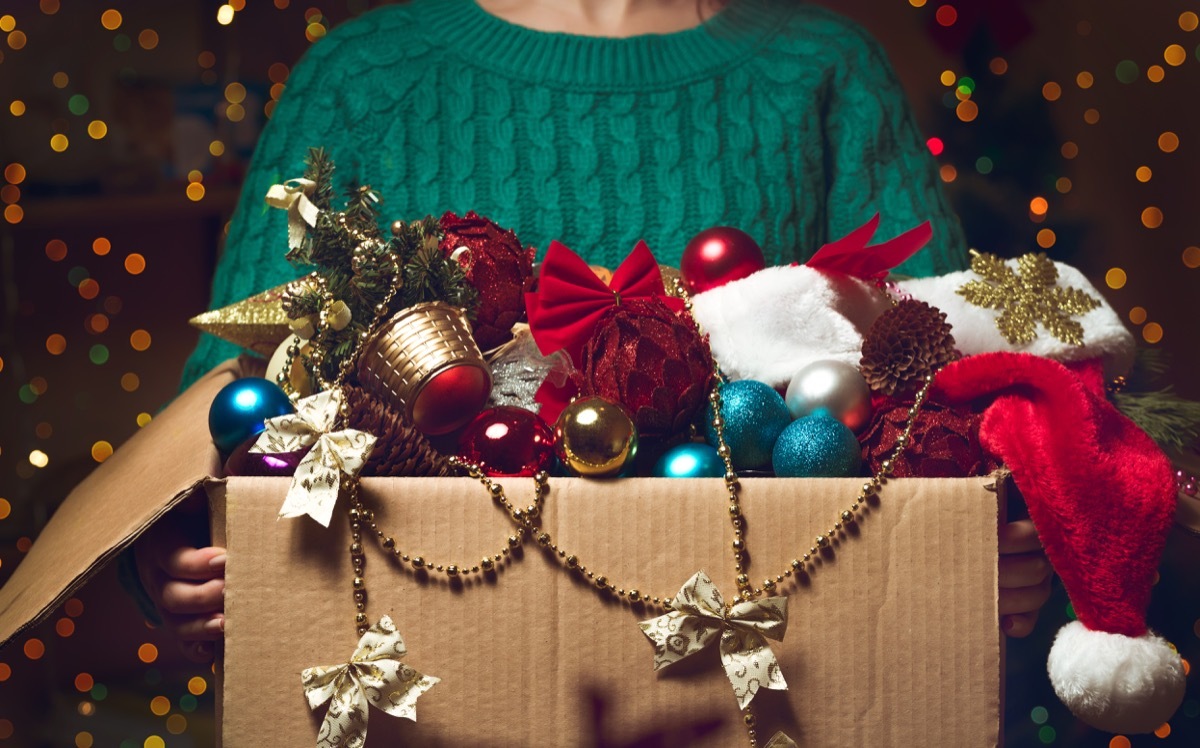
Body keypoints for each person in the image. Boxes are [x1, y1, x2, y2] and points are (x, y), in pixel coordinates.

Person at [133, 0, 1051, 662]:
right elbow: (233, 385)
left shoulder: (821, 69)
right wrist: (170, 547)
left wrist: (1001, 531)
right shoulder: (359, 74)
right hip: (431, 660)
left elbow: (951, 367)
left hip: (773, 670)